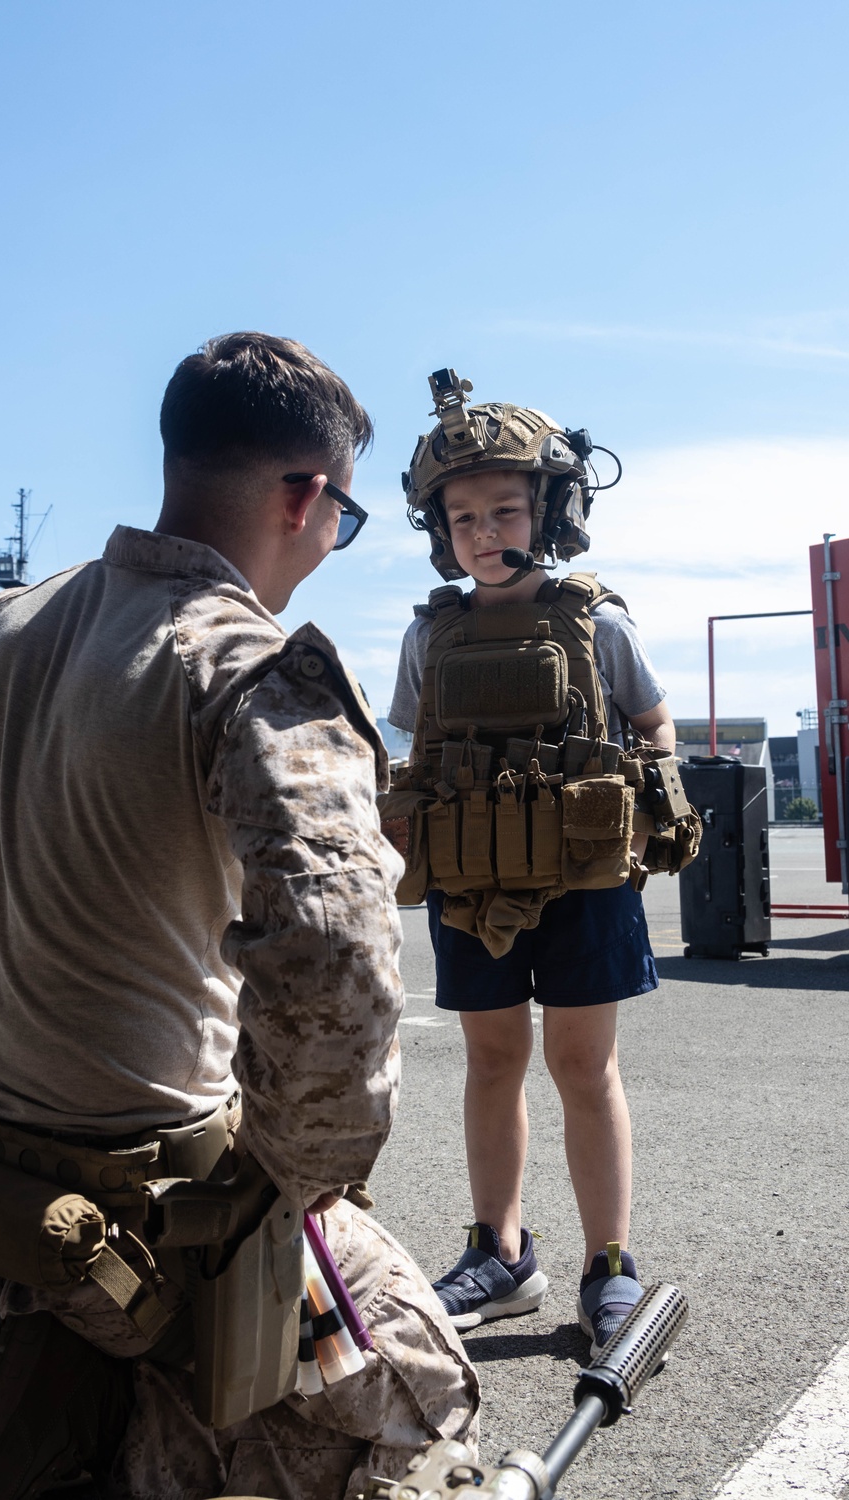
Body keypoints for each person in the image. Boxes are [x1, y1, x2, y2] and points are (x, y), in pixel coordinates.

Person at [0, 333, 478, 1500]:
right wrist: (287, 1184)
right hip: (138, 1212)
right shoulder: (247, 669)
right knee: (422, 1398)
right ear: (305, 498)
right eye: (341, 522)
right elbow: (335, 966)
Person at [386, 370, 677, 1354]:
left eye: (503, 508)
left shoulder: (596, 620)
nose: (479, 530)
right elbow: (410, 750)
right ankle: (501, 1253)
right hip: (469, 883)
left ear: (552, 510)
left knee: (582, 1066)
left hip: (586, 880)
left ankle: (610, 1263)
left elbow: (652, 722)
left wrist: (653, 800)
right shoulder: (430, 633)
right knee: (491, 1062)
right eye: (460, 515)